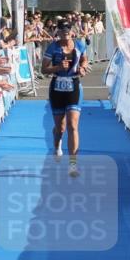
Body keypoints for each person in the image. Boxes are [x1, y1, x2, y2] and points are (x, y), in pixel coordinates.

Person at [42, 22, 88, 177]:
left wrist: (82, 68)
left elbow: (84, 60)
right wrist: (57, 68)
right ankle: (57, 144)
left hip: (74, 86)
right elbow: (43, 69)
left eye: (68, 31)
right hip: (57, 87)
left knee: (73, 125)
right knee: (60, 128)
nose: (65, 34)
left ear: (72, 32)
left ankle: (73, 165)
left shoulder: (80, 45)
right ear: (58, 33)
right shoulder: (52, 48)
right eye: (62, 32)